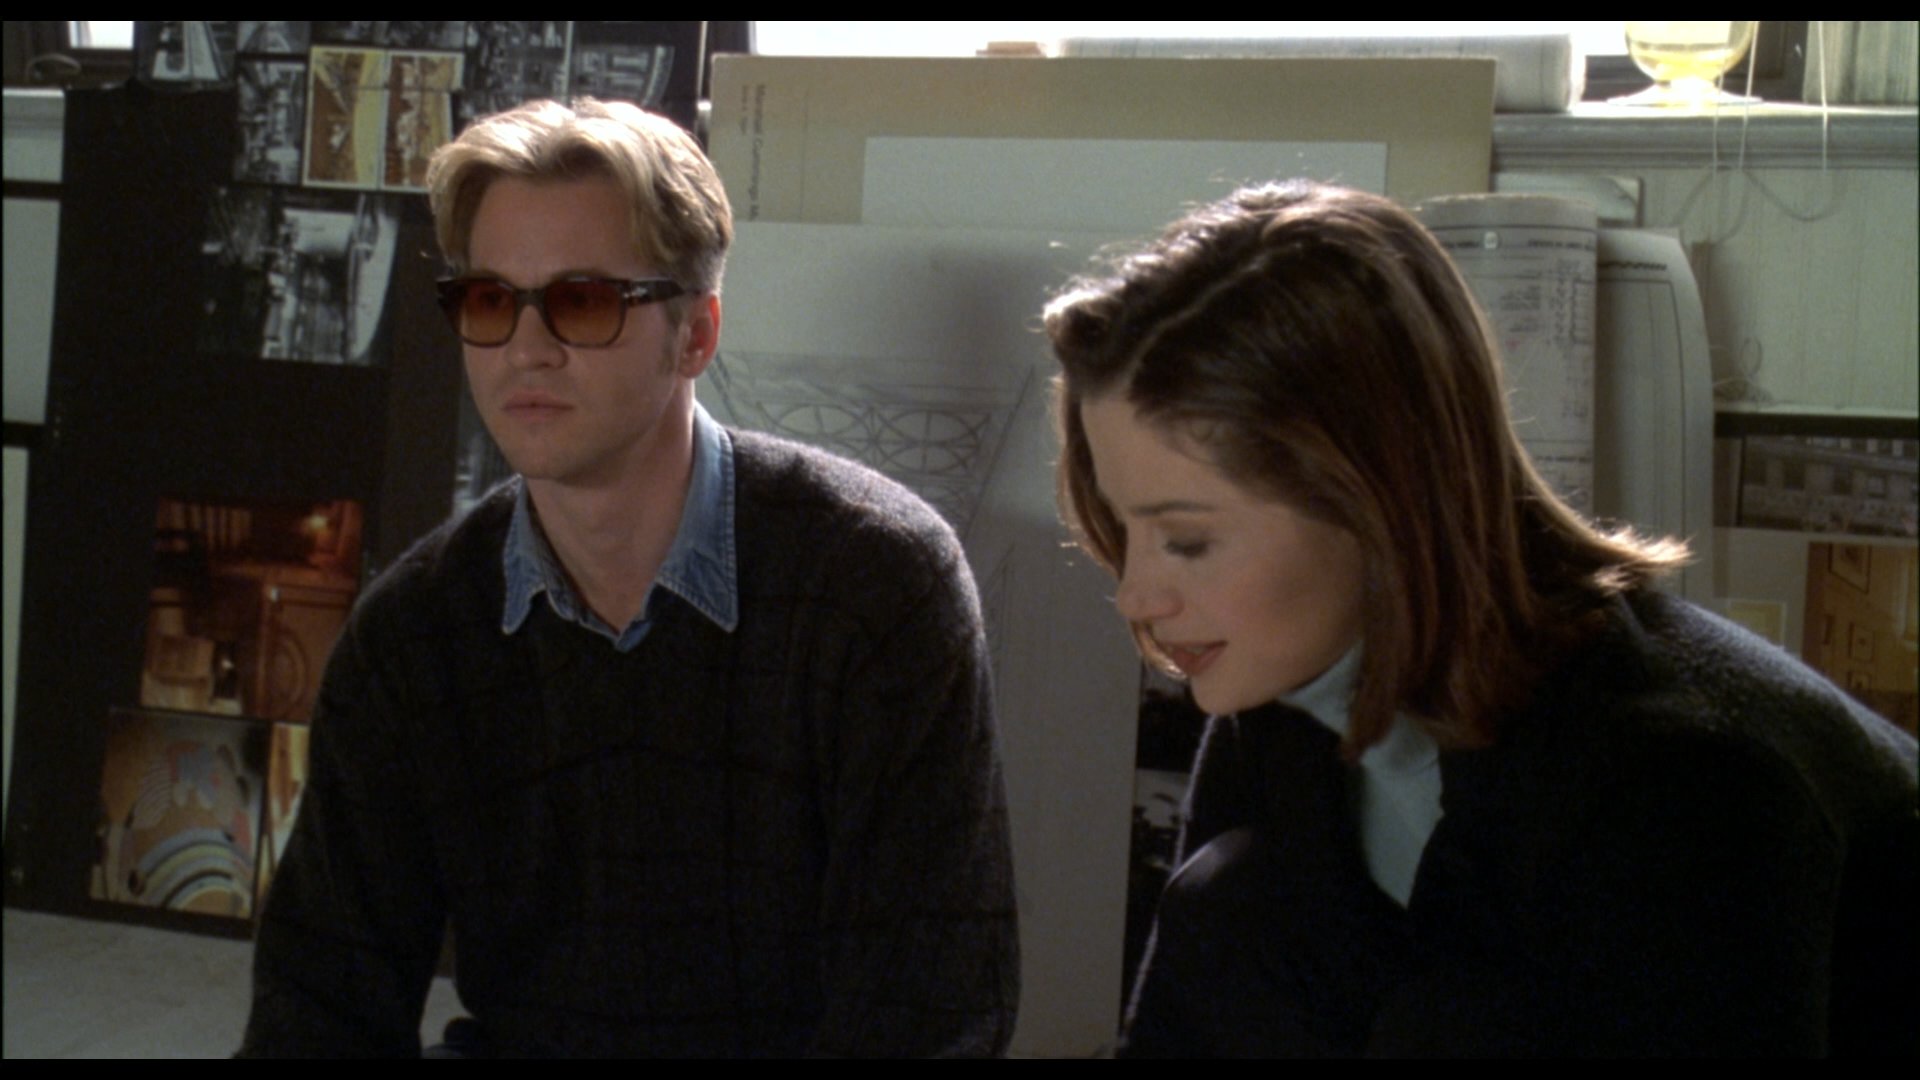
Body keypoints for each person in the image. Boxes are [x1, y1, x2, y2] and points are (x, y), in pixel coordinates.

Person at [1044, 181, 1918, 1057]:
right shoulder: (1285, 694)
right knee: (1232, 906)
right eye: (1124, 528)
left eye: (1188, 541)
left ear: (1377, 498)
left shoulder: (1686, 785)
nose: (1136, 597)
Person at [240, 98, 1018, 1057]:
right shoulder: (413, 633)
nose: (526, 348)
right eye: (489, 300)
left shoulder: (877, 585)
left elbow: (932, 1012)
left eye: (582, 301)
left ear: (695, 335)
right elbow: (318, 1007)